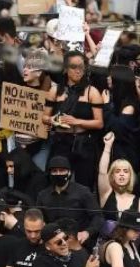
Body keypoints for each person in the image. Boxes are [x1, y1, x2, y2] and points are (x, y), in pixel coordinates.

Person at [43, 51, 105, 189]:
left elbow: (99, 123)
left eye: (81, 67)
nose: (78, 71)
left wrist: (76, 121)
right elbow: (44, 117)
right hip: (61, 142)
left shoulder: (92, 92)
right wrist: (52, 120)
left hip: (83, 143)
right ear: (65, 68)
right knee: (56, 181)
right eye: (74, 67)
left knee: (85, 183)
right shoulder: (55, 91)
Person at [36, 156, 104, 247]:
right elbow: (39, 219)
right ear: (50, 173)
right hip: (54, 244)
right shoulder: (43, 195)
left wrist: (87, 232)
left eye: (62, 171)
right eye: (54, 171)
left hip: (78, 242)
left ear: (69, 172)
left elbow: (98, 216)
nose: (58, 174)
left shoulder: (83, 192)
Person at [99, 133, 140, 220]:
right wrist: (108, 146)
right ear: (112, 175)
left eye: (126, 171)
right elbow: (102, 172)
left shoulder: (139, 202)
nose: (122, 174)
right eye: (117, 171)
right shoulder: (106, 194)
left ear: (130, 176)